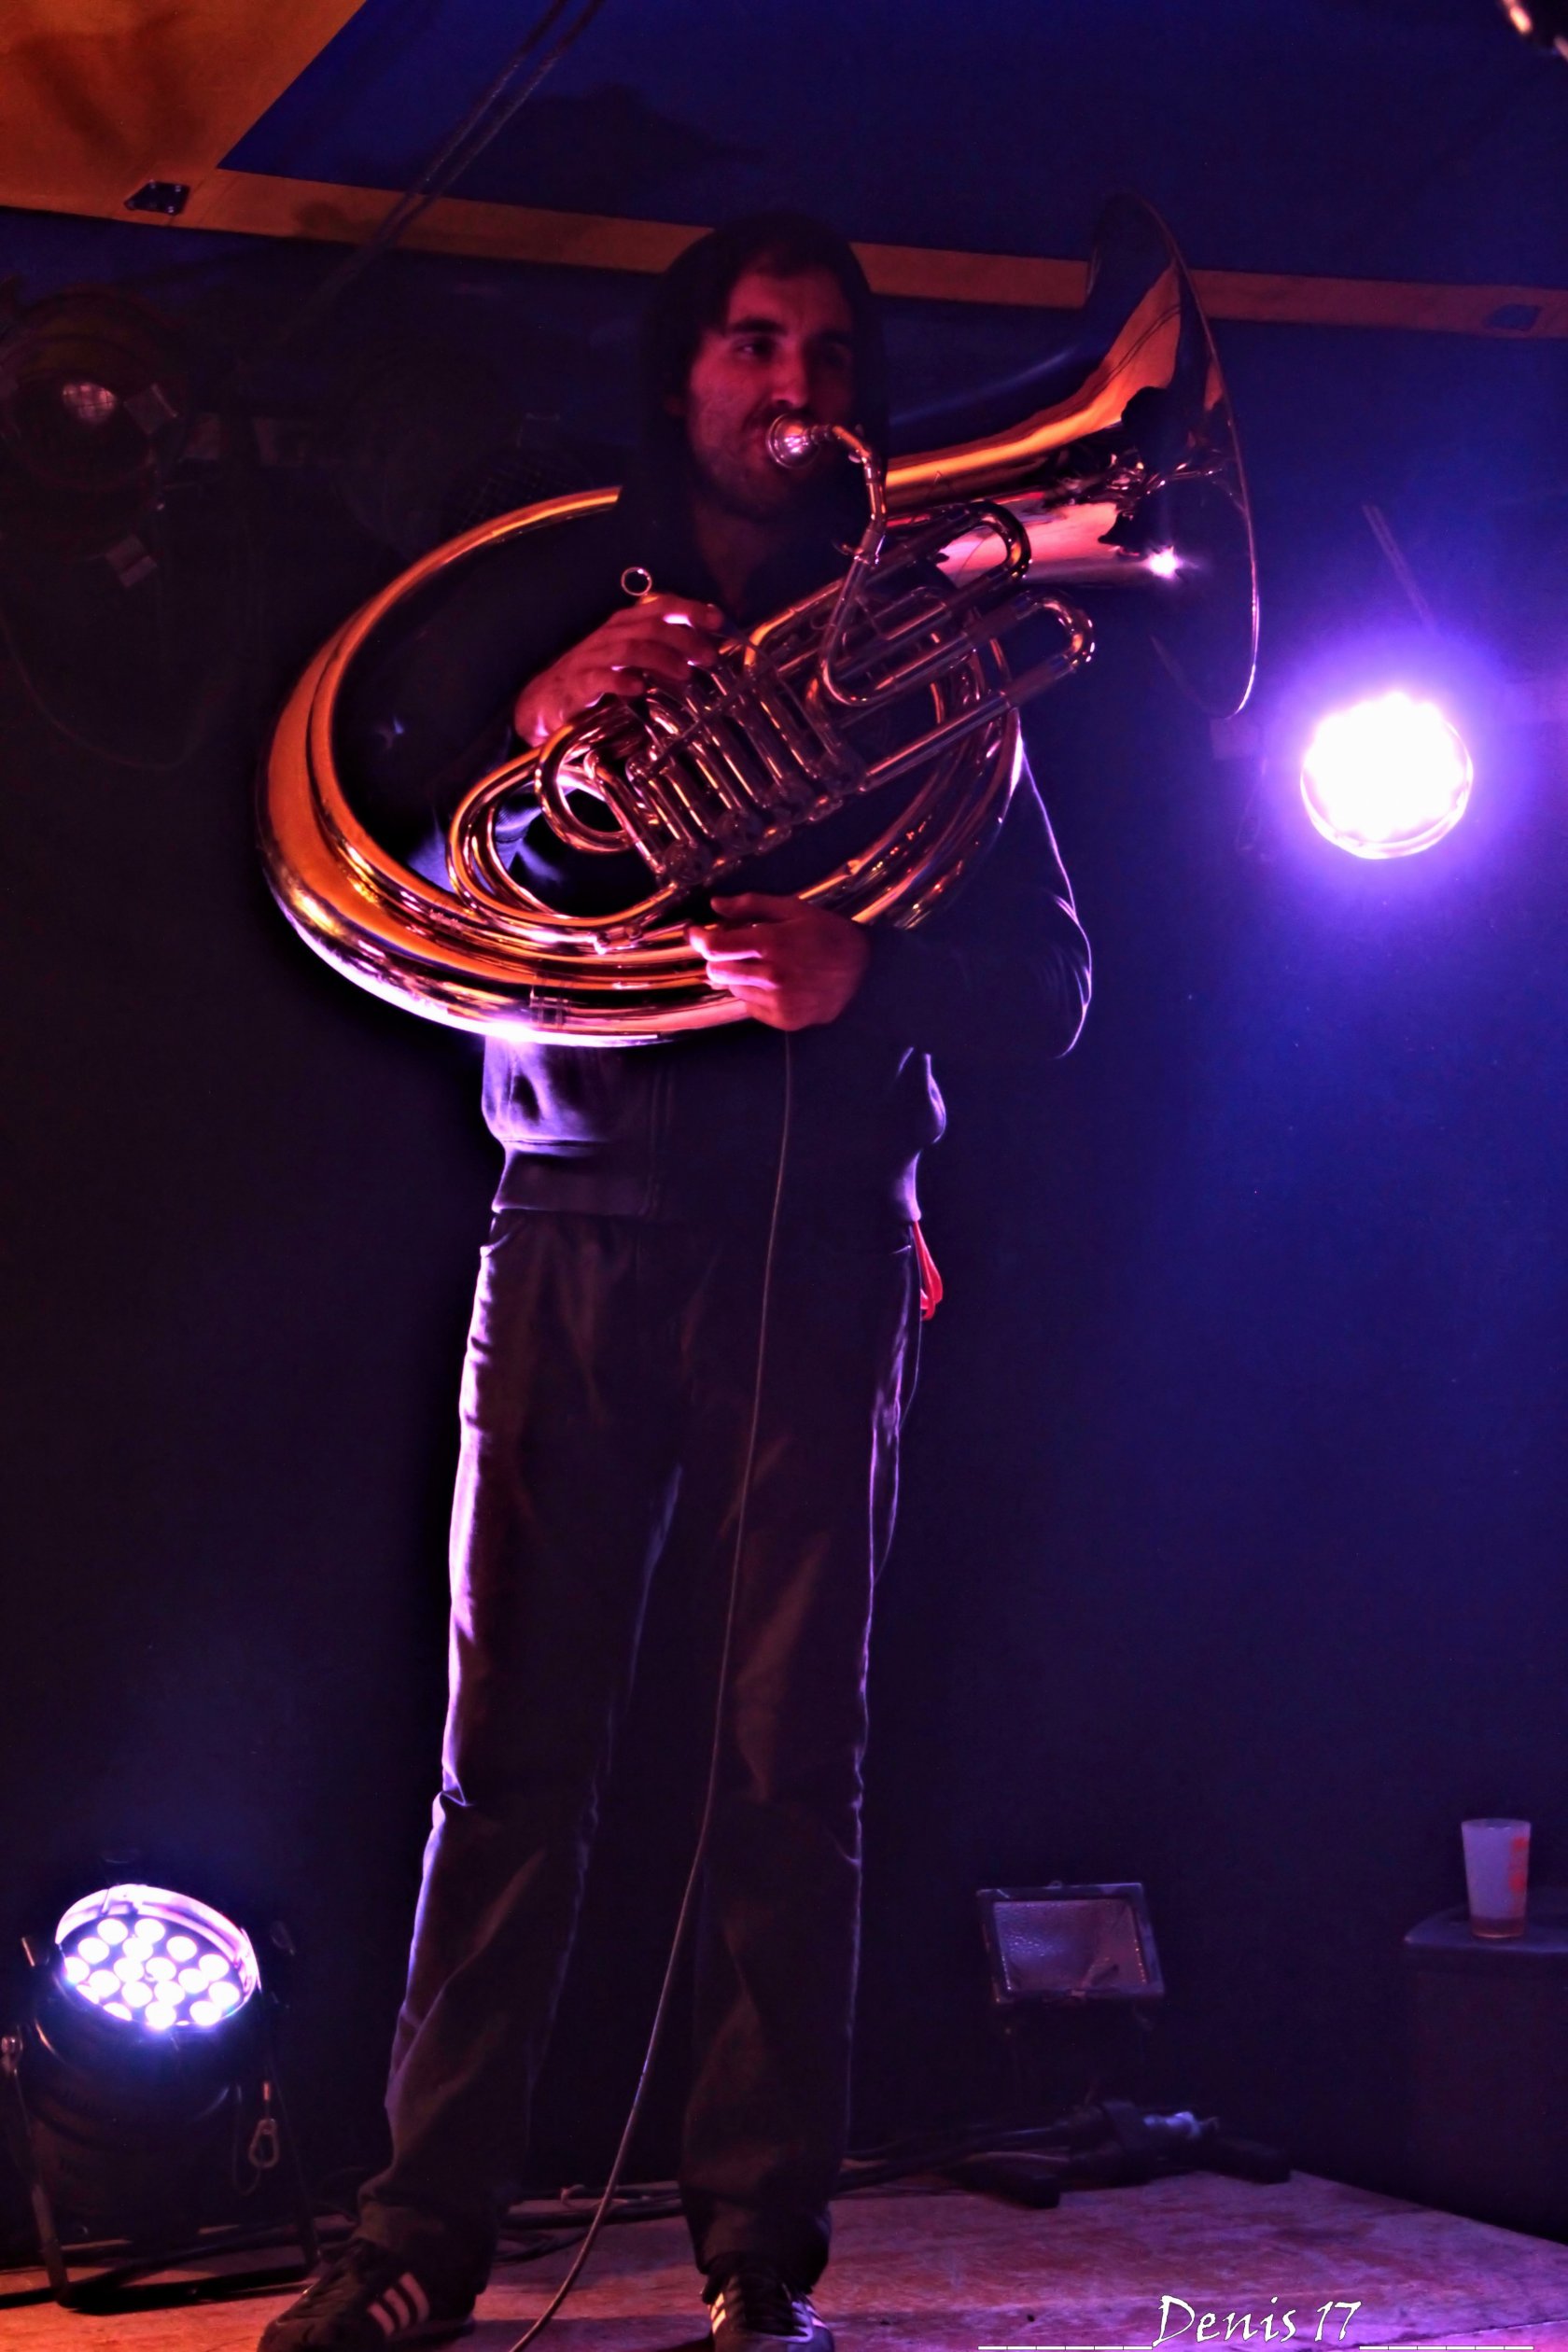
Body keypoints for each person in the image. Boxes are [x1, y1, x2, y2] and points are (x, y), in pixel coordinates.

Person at [260, 211, 1091, 2352]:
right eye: (748, 340)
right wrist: (541, 734)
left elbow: (1055, 991)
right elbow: (416, 893)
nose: (787, 378)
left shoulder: (919, 648)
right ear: (684, 376)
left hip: (819, 1252)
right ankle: (418, 2242)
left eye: (821, 345)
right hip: (571, 1229)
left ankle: (754, 2269)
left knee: (782, 1780)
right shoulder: (544, 602)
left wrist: (864, 970)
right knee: (502, 1765)